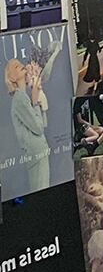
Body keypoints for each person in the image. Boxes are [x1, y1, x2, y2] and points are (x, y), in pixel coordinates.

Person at [4, 58, 50, 193]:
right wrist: (35, 101)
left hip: (39, 154)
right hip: (36, 155)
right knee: (41, 193)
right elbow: (38, 128)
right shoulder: (20, 99)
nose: (21, 65)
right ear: (12, 78)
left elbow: (42, 124)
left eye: (20, 64)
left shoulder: (22, 97)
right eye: (16, 66)